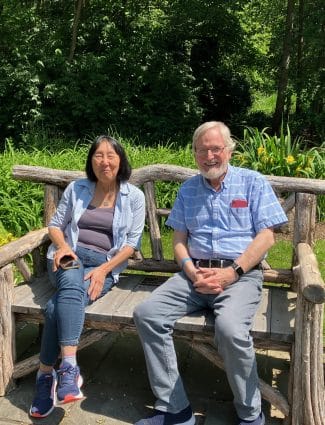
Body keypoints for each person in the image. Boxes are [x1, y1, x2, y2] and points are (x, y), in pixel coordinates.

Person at [133, 121, 288, 425]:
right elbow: (178, 240)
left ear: (229, 150)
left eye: (216, 149)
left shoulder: (252, 182)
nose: (209, 156)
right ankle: (176, 411)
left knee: (230, 329)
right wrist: (191, 271)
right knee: (147, 314)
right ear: (194, 154)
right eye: (202, 150)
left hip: (240, 277)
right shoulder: (188, 189)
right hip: (195, 276)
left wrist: (232, 272)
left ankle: (250, 415)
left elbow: (267, 237)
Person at [30, 135, 146, 418]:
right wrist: (65, 247)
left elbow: (131, 244)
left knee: (57, 306)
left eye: (111, 155)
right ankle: (69, 367)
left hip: (104, 264)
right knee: (70, 283)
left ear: (121, 160)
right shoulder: (77, 189)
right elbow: (55, 226)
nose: (104, 161)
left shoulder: (135, 197)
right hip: (69, 255)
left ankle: (45, 376)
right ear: (91, 161)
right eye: (98, 155)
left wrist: (105, 269)